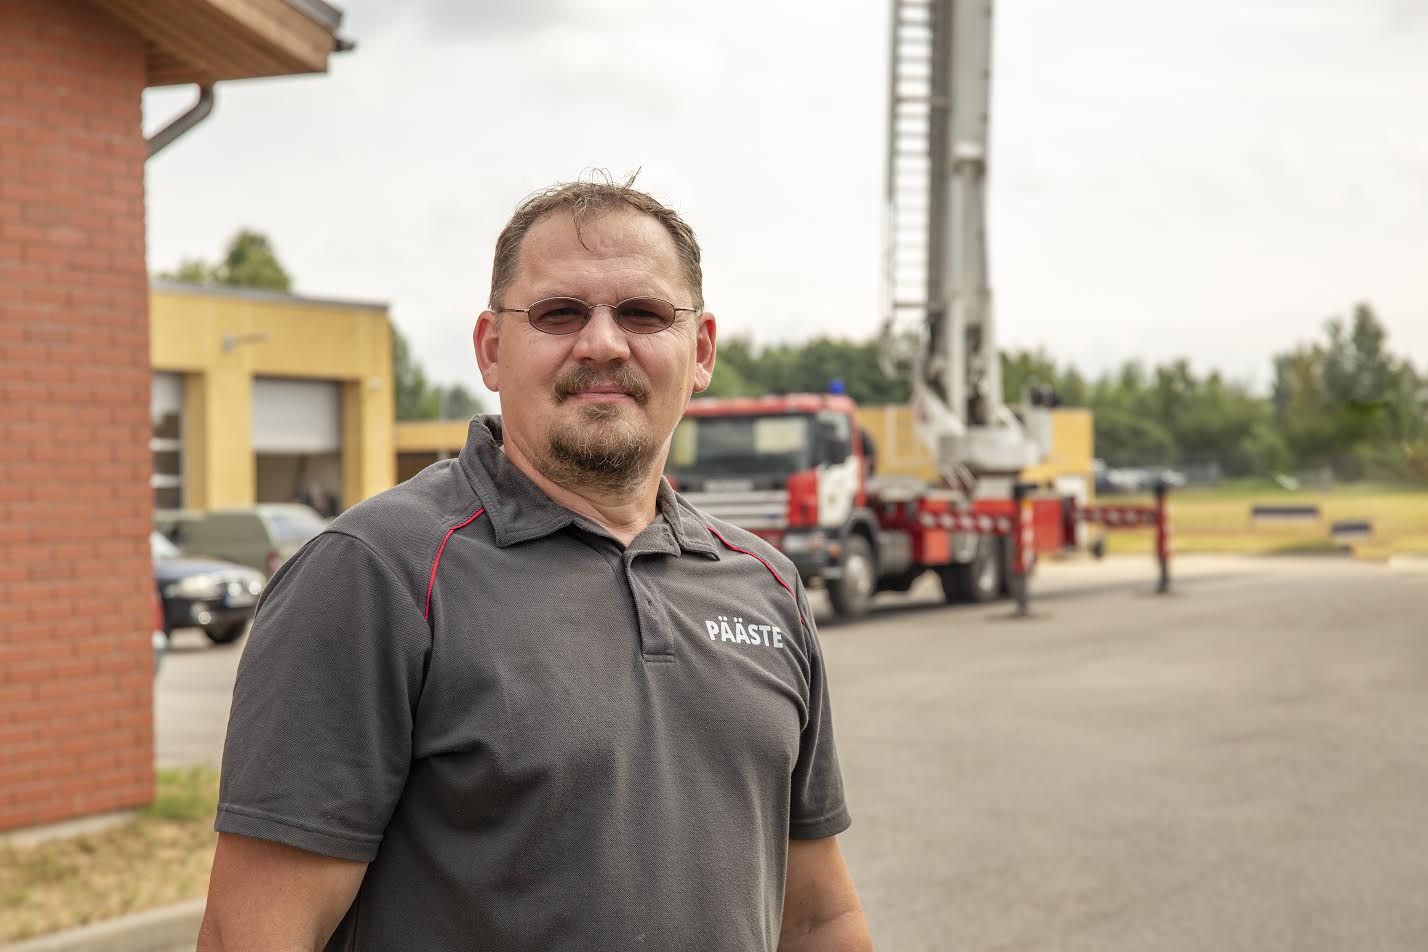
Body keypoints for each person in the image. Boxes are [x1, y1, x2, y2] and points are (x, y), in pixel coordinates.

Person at [197, 178, 872, 952]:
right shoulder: (374, 575)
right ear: (491, 348)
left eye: (643, 314)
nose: (603, 343)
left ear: (701, 351)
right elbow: (251, 936)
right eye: (559, 314)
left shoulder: (765, 585)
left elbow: (819, 915)